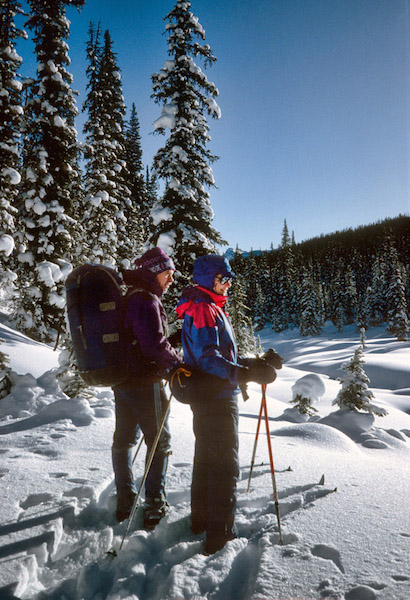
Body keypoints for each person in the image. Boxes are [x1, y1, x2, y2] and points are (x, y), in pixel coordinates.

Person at [176, 254, 276, 554]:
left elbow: (219, 357)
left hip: (209, 399)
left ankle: (201, 522)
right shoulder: (206, 309)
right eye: (223, 279)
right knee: (224, 467)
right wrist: (244, 373)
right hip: (218, 400)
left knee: (206, 462)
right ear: (208, 280)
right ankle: (220, 537)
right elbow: (208, 359)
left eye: (229, 278)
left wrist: (255, 364)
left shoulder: (205, 306)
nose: (228, 284)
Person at [112, 247, 182, 528]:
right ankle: (154, 503)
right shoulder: (146, 300)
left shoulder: (131, 296)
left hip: (123, 381)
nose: (171, 280)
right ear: (155, 272)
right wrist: (177, 361)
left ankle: (125, 499)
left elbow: (140, 338)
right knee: (159, 441)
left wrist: (171, 341)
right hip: (145, 381)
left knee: (124, 439)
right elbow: (152, 345)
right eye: (168, 274)